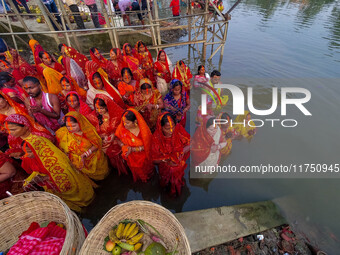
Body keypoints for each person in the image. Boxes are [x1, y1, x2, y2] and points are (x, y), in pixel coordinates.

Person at [5, 114, 94, 212]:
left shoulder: (38, 138)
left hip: (54, 168)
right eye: (9, 130)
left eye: (13, 129)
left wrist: (48, 176)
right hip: (42, 170)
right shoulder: (14, 139)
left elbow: (51, 157)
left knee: (73, 188)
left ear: (25, 126)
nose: (10, 133)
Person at [56, 112, 109, 181]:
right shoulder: (63, 134)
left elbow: (97, 144)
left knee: (103, 175)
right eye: (68, 126)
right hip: (79, 162)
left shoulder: (88, 132)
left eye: (73, 126)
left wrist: (85, 154)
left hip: (93, 157)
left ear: (80, 123)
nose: (70, 129)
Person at [87, 94, 128, 175]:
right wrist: (102, 136)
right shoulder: (94, 117)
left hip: (118, 140)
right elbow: (93, 131)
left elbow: (123, 126)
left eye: (101, 108)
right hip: (106, 144)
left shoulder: (116, 114)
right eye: (97, 108)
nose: (99, 110)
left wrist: (114, 135)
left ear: (107, 106)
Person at [151, 113, 190, 195]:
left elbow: (191, 143)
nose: (171, 131)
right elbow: (153, 159)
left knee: (178, 180)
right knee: (166, 183)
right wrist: (166, 160)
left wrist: (181, 152)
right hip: (165, 167)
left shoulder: (179, 129)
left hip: (179, 165)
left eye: (173, 126)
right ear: (161, 127)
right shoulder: (156, 138)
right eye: (167, 128)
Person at [115, 109, 154, 182]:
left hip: (143, 158)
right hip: (131, 158)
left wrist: (132, 149)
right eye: (123, 122)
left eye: (127, 123)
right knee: (135, 171)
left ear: (135, 122)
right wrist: (123, 146)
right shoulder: (121, 128)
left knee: (146, 172)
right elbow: (118, 140)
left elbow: (148, 145)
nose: (124, 124)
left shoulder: (143, 132)